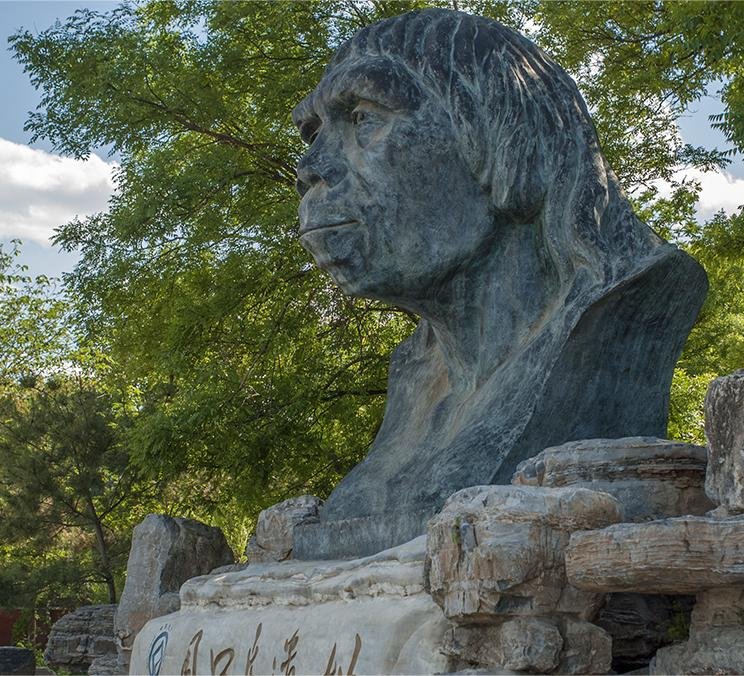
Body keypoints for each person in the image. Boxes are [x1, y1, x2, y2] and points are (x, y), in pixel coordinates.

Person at [290, 8, 706, 559]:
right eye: (315, 132)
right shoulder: (420, 373)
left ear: (501, 135)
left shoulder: (623, 303)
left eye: (365, 118)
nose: (311, 164)